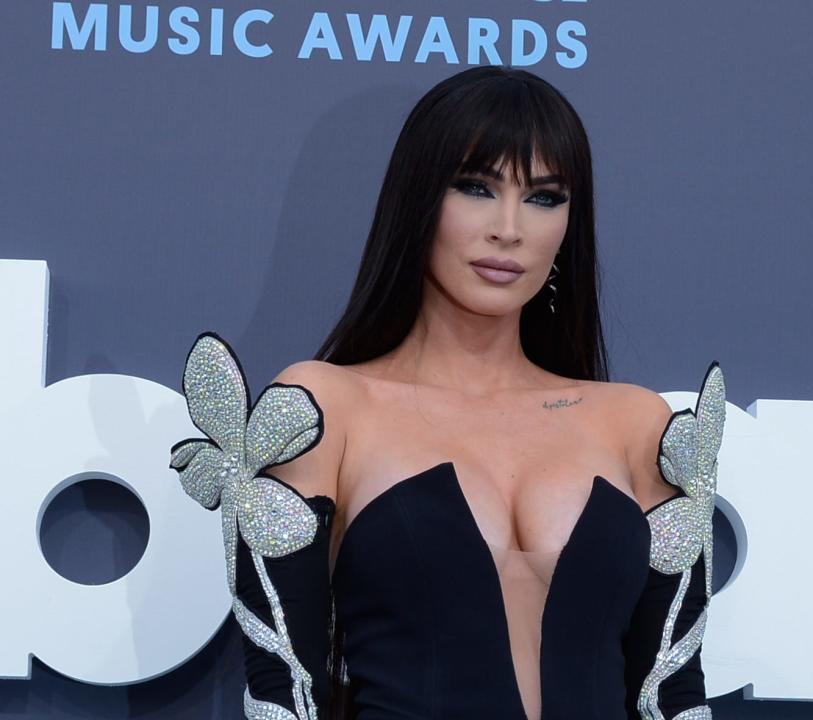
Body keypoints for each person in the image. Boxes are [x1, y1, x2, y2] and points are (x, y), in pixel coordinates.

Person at [169, 65, 726, 720]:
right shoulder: (325, 408)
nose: (509, 228)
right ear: (419, 201)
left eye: (545, 197)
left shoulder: (635, 424)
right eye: (476, 187)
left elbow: (674, 695)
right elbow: (283, 694)